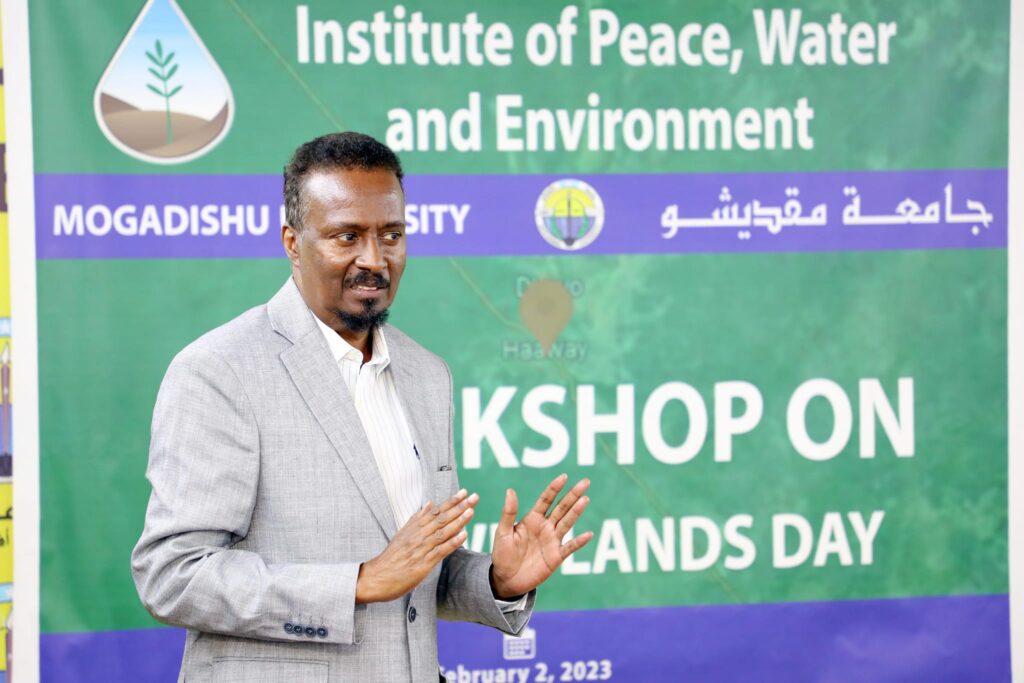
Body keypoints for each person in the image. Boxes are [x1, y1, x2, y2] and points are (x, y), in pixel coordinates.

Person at [131, 132, 593, 682]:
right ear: (293, 242)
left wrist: (496, 581)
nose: (374, 260)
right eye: (346, 236)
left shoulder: (427, 375)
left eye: (391, 235)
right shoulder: (220, 370)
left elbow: (413, 574)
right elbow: (173, 575)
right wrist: (357, 582)